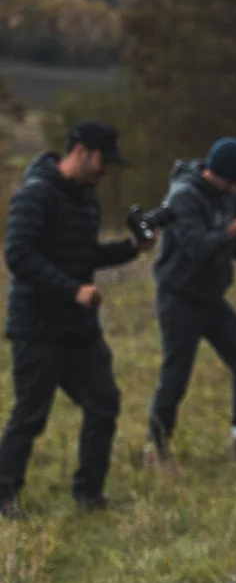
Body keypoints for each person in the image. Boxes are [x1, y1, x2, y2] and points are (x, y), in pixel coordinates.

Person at [0, 119, 143, 516]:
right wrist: (71, 289)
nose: (105, 169)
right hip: (37, 327)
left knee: (104, 404)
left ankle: (89, 496)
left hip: (78, 329)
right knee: (30, 415)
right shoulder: (35, 195)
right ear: (80, 151)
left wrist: (132, 249)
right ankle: (4, 496)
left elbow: (84, 253)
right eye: (102, 160)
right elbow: (19, 255)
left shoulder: (86, 199)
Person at [145, 138, 236, 468]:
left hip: (211, 296)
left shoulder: (228, 197)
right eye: (234, 181)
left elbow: (229, 246)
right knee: (176, 376)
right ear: (221, 174)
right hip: (179, 297)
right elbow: (198, 248)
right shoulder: (183, 196)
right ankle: (157, 450)